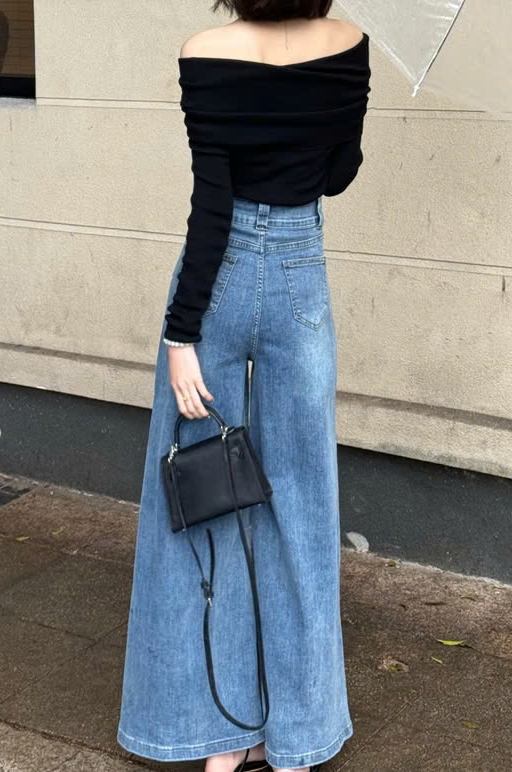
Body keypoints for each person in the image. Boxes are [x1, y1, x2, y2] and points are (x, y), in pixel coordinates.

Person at [116, 3, 371, 772]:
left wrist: (180, 334)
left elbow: (212, 205)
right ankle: (295, 739)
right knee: (304, 505)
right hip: (299, 273)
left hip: (217, 283)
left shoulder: (204, 51)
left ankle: (221, 737)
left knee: (203, 496)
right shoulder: (350, 44)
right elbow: (339, 173)